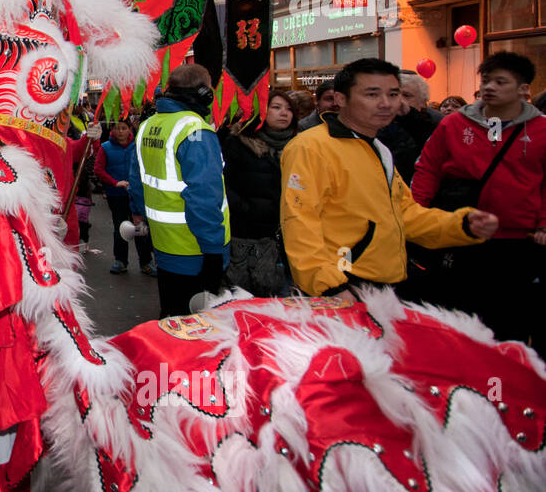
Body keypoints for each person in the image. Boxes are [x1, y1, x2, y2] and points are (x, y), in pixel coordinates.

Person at [279, 57, 498, 298]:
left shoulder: (378, 147)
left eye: (394, 95)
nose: (386, 103)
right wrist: (329, 285)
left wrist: (461, 225)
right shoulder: (311, 147)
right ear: (341, 99)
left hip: (386, 282)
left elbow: (404, 213)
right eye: (372, 95)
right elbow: (299, 220)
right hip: (344, 285)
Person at [411, 52, 546, 342]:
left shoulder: (541, 130)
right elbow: (427, 169)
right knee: (458, 319)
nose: (489, 87)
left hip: (516, 240)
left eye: (500, 82)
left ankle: (504, 381)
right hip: (460, 233)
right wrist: (415, 215)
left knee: (509, 322)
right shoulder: (453, 125)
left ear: (523, 89)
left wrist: (544, 224)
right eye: (485, 80)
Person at [128, 63, 230, 317]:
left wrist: (143, 218)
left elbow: (137, 184)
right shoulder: (196, 131)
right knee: (200, 330)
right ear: (205, 94)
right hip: (196, 250)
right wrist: (213, 251)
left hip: (164, 244)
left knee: (172, 319)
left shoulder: (148, 126)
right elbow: (204, 197)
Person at [222, 90, 298, 296]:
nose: (284, 113)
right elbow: (224, 184)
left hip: (291, 235)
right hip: (248, 234)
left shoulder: (300, 146)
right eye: (276, 107)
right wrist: (248, 208)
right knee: (248, 296)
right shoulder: (239, 143)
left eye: (289, 108)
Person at [95, 119, 155, 275]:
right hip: (117, 195)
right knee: (120, 227)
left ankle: (146, 262)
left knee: (140, 229)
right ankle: (120, 260)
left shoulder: (138, 147)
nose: (120, 131)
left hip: (137, 195)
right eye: (117, 128)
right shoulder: (105, 148)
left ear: (130, 129)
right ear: (112, 131)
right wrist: (115, 183)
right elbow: (99, 169)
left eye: (124, 128)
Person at [378, 70, 439, 183]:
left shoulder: (434, 127)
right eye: (393, 95)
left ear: (423, 102)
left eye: (406, 95)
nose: (399, 101)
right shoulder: (375, 124)